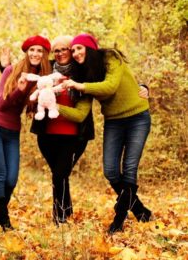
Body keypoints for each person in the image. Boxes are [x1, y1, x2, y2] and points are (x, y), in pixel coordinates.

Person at [62, 33, 152, 234]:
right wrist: (54, 106)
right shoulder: (84, 75)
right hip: (114, 123)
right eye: (73, 50)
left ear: (91, 47)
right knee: (110, 170)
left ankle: (119, 219)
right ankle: (140, 210)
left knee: (129, 168)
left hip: (138, 118)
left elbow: (110, 87)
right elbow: (80, 113)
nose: (75, 53)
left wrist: (80, 86)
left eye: (79, 48)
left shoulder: (111, 57)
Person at [0, 35, 52, 230]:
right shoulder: (12, 70)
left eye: (40, 51)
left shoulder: (43, 78)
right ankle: (3, 221)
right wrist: (19, 90)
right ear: (27, 52)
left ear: (45, 55)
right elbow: (2, 103)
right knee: (0, 174)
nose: (35, 53)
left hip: (12, 131)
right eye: (32, 50)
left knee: (12, 178)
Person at [29, 35, 94, 225]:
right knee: (60, 176)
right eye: (56, 50)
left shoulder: (83, 72)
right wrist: (3, 66)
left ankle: (60, 218)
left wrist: (142, 86)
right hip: (47, 136)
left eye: (64, 49)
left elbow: (106, 77)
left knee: (59, 175)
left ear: (72, 50)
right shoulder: (46, 69)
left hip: (74, 137)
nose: (60, 53)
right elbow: (24, 70)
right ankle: (66, 213)